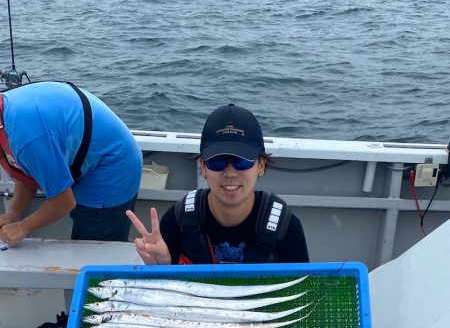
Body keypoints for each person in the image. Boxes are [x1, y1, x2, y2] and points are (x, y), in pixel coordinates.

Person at [128, 103, 309, 265]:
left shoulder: (286, 228)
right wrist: (161, 268)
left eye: (242, 161)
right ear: (203, 166)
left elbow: (302, 291)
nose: (230, 173)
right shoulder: (177, 221)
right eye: (217, 162)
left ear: (261, 166)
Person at [0, 81, 143, 245]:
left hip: (112, 167)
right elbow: (29, 174)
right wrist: (13, 213)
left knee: (94, 249)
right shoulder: (7, 115)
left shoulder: (25, 138)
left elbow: (63, 202)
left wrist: (22, 227)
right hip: (88, 157)